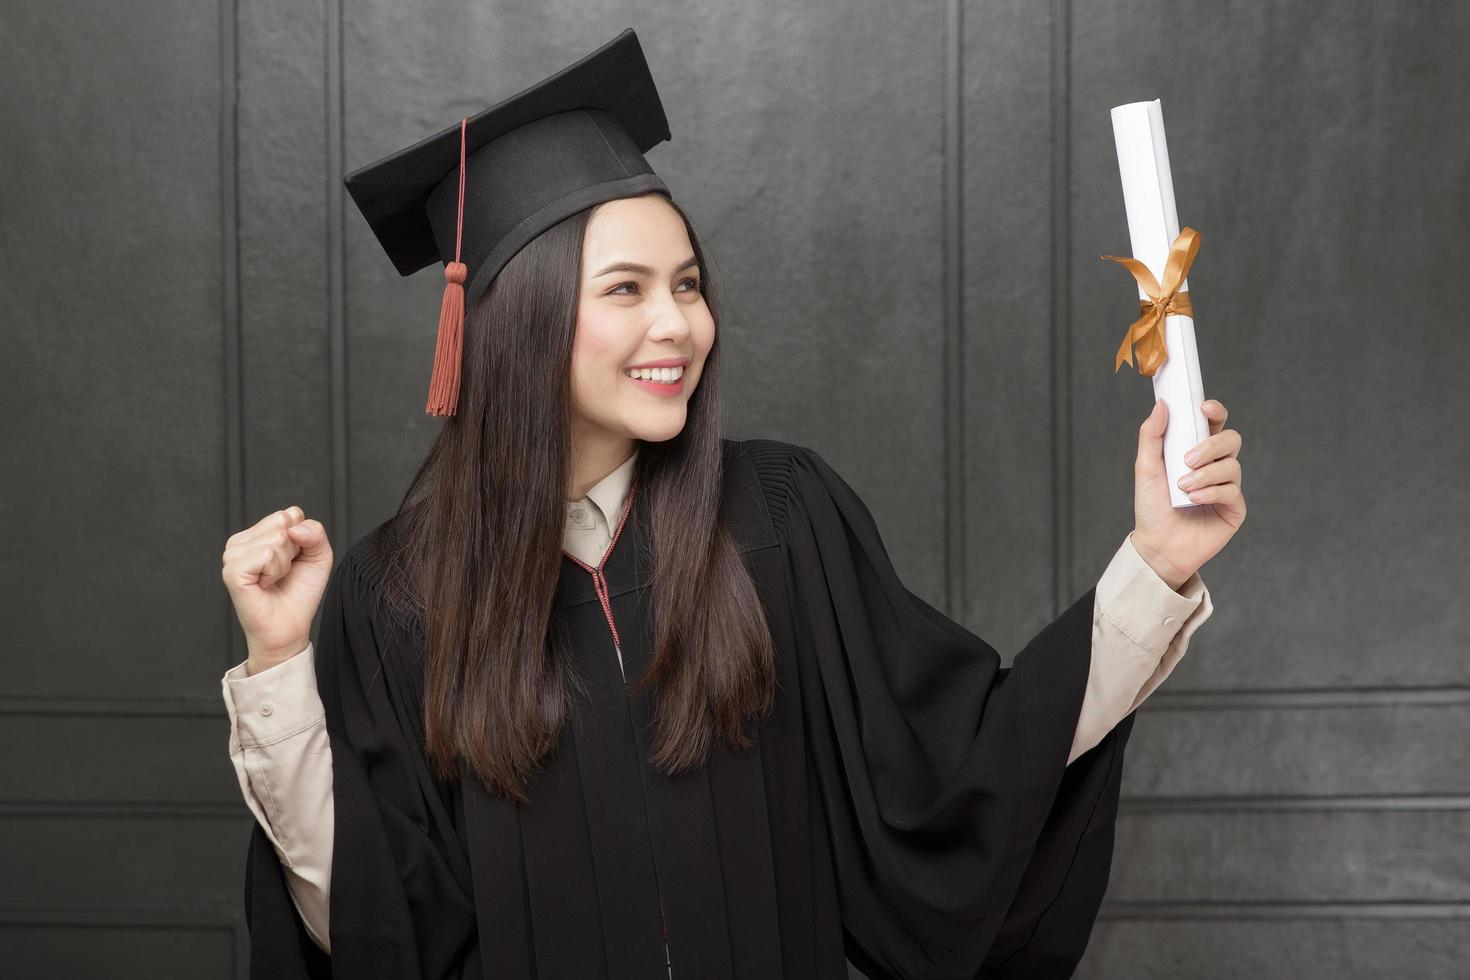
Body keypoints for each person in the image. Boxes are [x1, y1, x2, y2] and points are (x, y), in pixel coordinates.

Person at [218, 29, 1244, 980]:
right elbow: (379, 926)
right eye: (626, 289)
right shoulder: (399, 593)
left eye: (690, 283)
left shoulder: (781, 520)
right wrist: (277, 670)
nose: (678, 324)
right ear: (518, 318)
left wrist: (1154, 566)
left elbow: (964, 775)